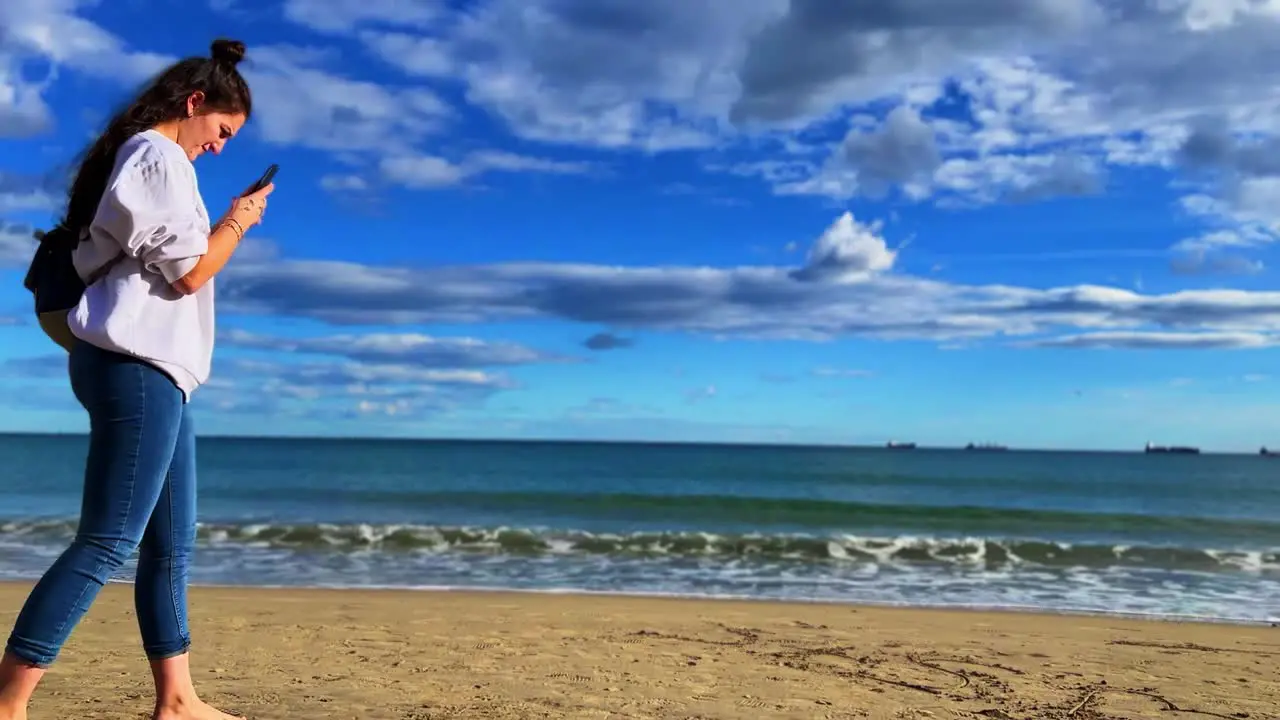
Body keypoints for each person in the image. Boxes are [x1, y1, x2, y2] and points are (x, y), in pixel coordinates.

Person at [0, 38, 273, 720]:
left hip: (163, 374)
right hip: (135, 367)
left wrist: (220, 221)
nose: (219, 147)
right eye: (222, 131)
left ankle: (177, 700)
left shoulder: (162, 164)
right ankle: (6, 702)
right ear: (195, 104)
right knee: (110, 538)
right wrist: (238, 221)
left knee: (168, 546)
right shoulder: (155, 157)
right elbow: (190, 273)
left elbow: (171, 263)